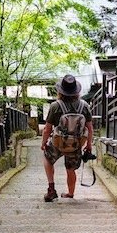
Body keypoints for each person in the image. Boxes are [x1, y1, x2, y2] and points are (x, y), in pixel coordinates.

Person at [41, 74, 94, 202]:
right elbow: (90, 128)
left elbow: (47, 129)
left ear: (61, 91)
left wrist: (44, 143)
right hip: (76, 144)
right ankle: (70, 193)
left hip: (58, 143)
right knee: (71, 169)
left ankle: (51, 189)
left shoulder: (55, 106)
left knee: (47, 158)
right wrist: (89, 145)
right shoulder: (84, 106)